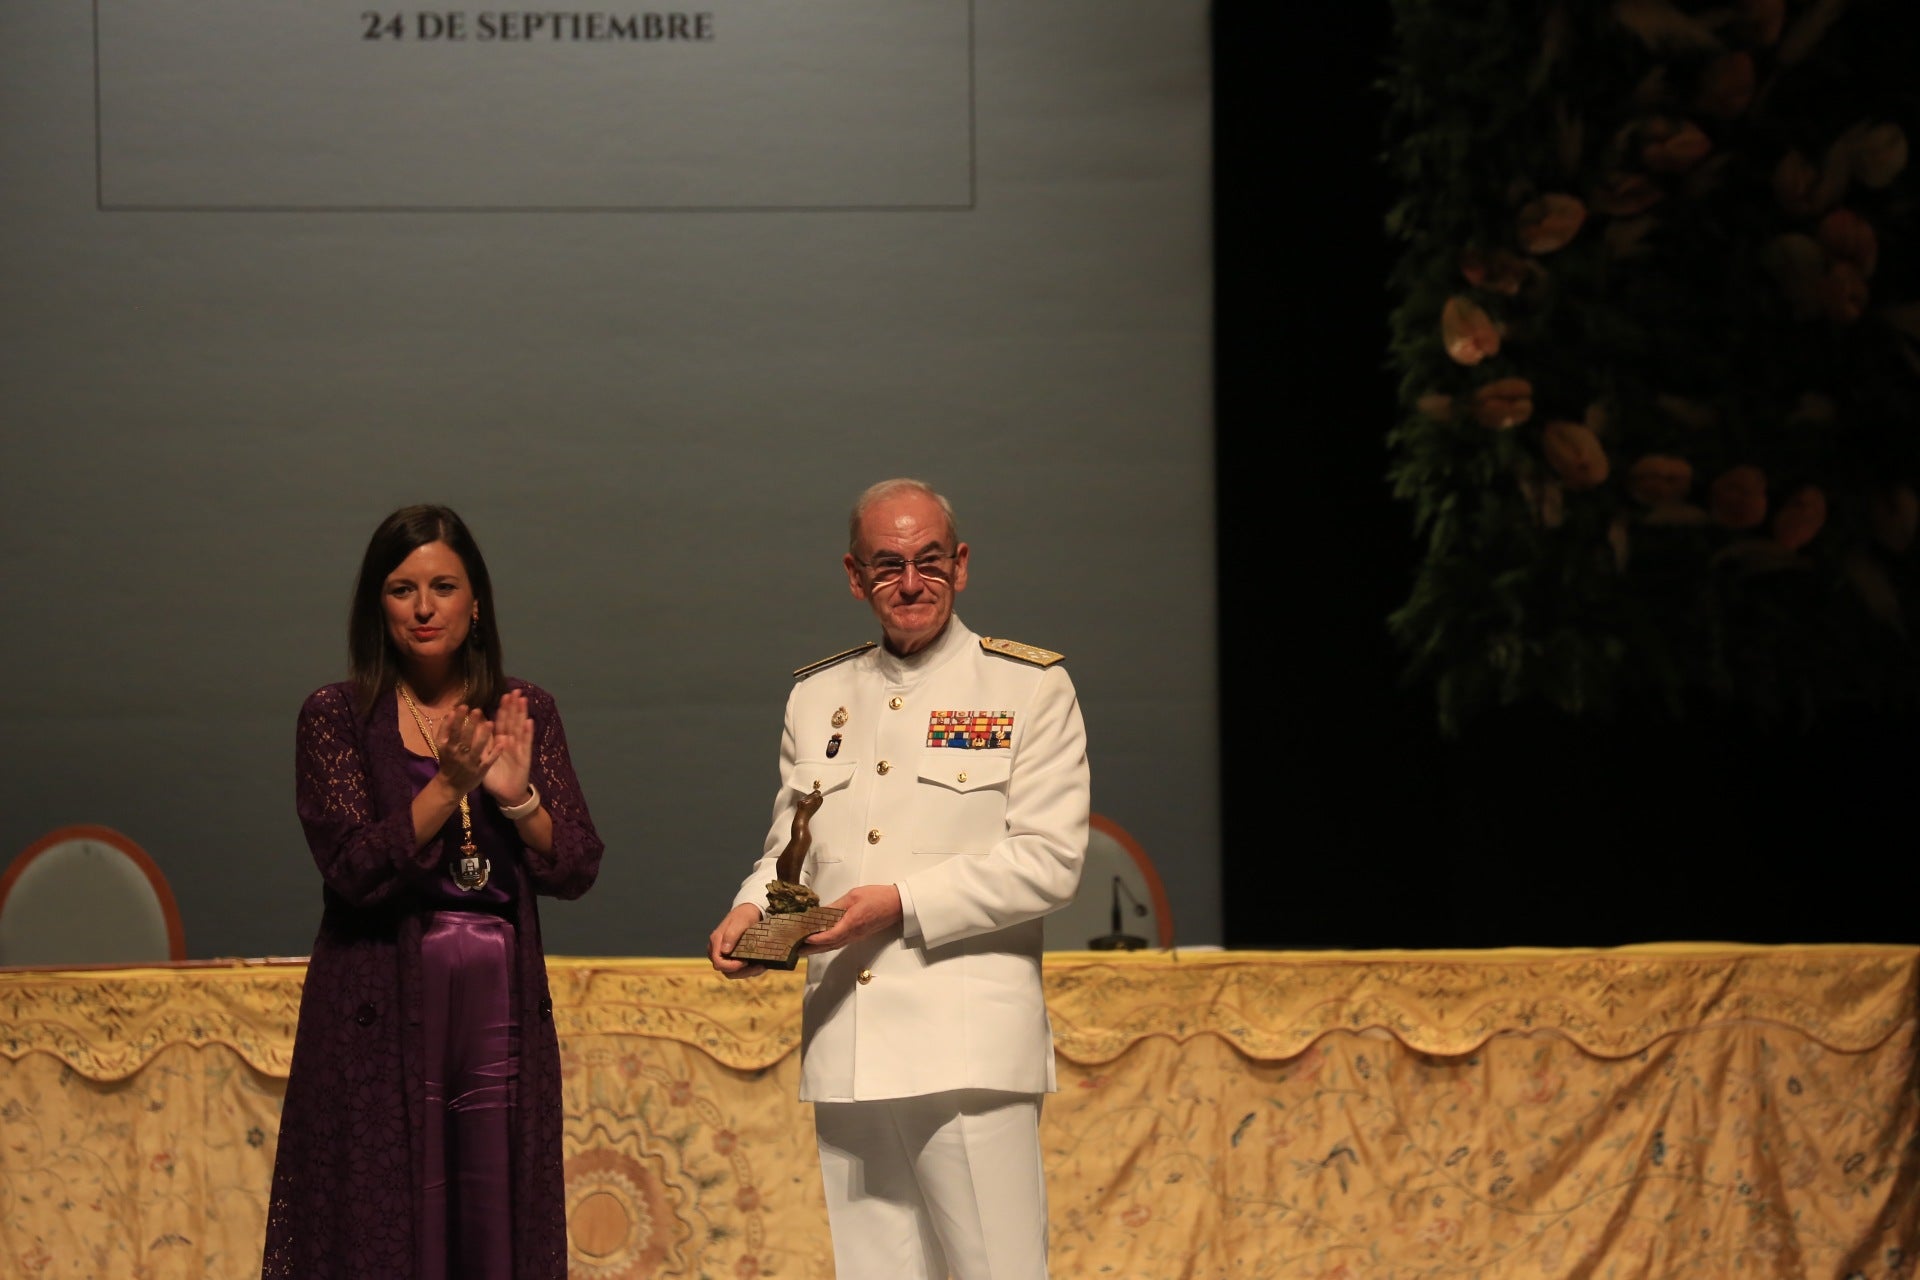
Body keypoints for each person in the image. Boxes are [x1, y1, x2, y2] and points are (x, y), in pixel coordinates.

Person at [707, 478, 1090, 1280]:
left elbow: (1050, 862)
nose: (912, 584)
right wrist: (750, 908)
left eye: (930, 562)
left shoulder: (1027, 689)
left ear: (962, 563)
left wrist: (899, 904)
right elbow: (791, 846)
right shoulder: (818, 696)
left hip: (968, 1045)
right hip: (849, 1039)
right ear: (854, 575)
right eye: (888, 566)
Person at [263, 504, 603, 1280]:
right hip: (379, 998)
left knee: (494, 1218)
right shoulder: (337, 717)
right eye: (401, 588)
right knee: (379, 1220)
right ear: (375, 607)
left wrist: (517, 801)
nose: (423, 608)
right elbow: (351, 868)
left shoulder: (525, 710)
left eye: (443, 586)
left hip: (499, 1000)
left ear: (475, 601)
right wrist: (448, 786)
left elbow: (578, 863)